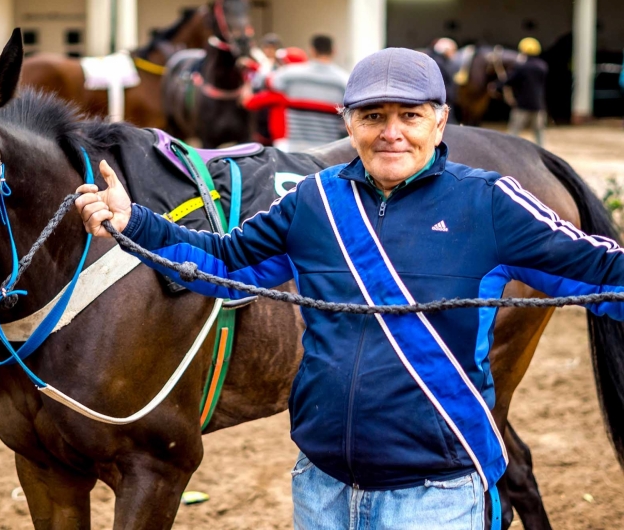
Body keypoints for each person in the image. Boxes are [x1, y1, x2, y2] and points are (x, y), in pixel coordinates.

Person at [75, 47, 624, 529]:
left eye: (411, 115)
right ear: (348, 122)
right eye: (373, 115)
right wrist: (136, 224)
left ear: (441, 122)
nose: (392, 132)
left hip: (436, 492)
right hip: (323, 484)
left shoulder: (491, 202)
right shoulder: (312, 201)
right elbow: (226, 261)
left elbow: (600, 271)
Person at [265, 34, 350, 151]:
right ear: (334, 51)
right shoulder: (344, 81)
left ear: (312, 50)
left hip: (296, 150)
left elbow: (270, 82)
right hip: (329, 151)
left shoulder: (290, 74)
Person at [506, 37, 549, 146]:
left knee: (514, 132)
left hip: (522, 105)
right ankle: (542, 150)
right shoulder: (543, 66)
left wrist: (496, 85)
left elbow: (510, 80)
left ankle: (509, 149)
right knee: (539, 133)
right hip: (538, 105)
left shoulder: (521, 67)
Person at [427, 38, 459, 122]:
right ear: (446, 50)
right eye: (453, 50)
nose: (454, 53)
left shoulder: (435, 59)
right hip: (441, 101)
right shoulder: (439, 62)